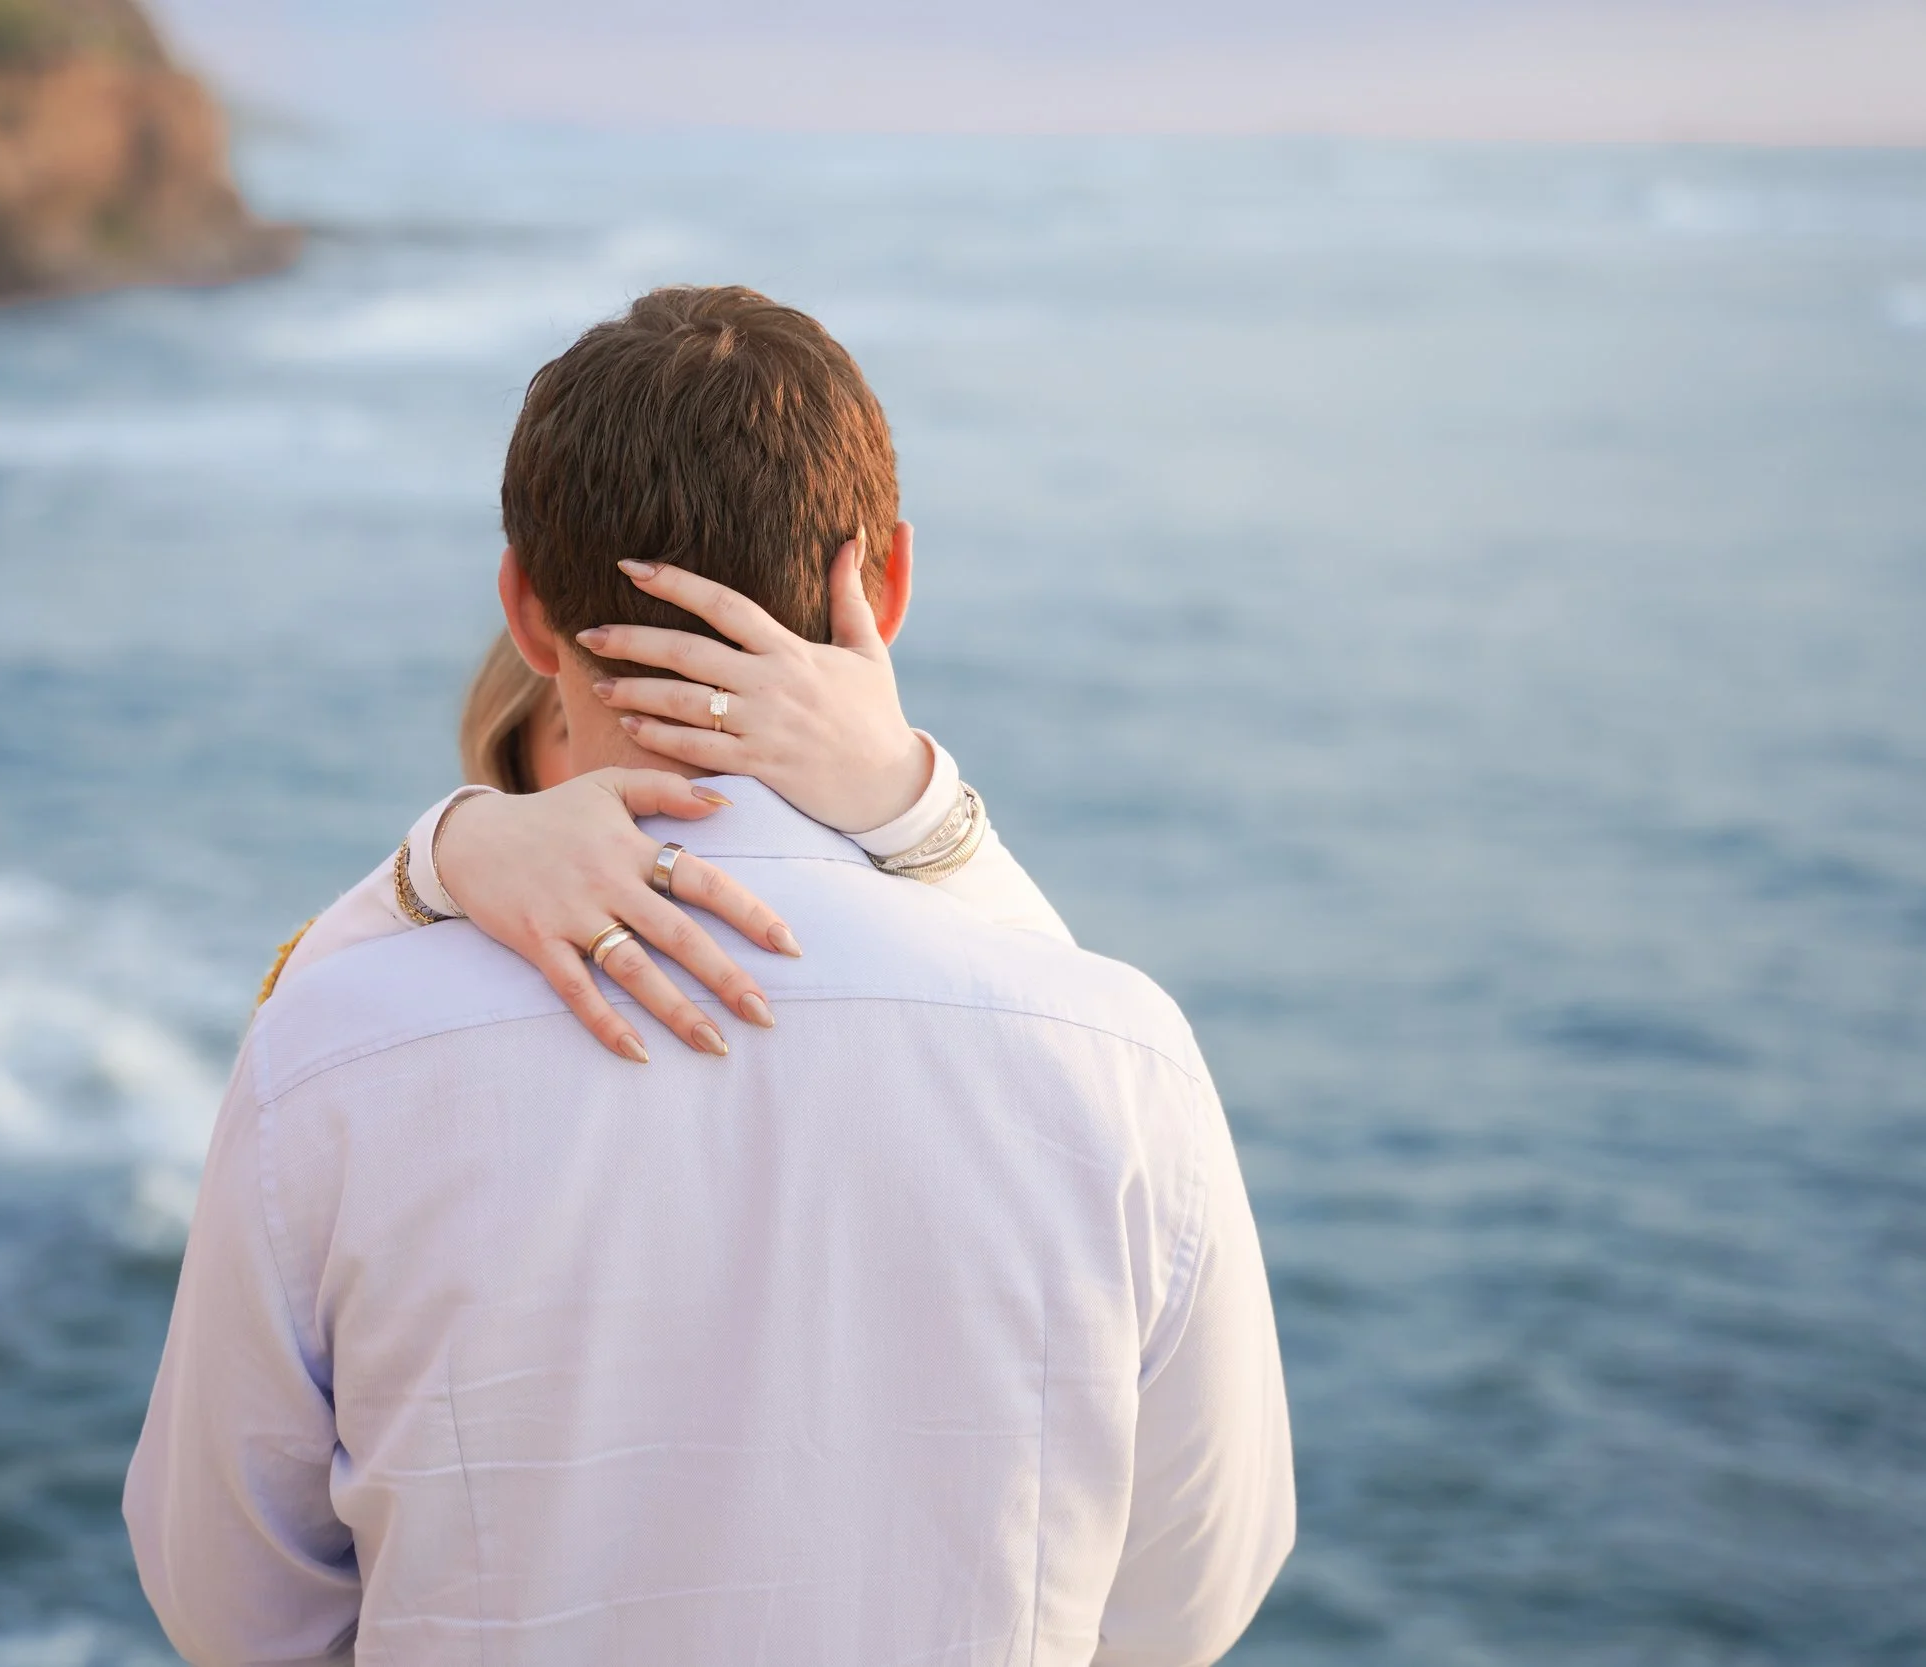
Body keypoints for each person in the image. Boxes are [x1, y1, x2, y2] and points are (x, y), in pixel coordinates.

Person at [127, 286, 1292, 1665]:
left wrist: (429, 865)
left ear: (524, 605)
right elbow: (1191, 1594)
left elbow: (228, 1600)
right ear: (892, 581)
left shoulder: (334, 1050)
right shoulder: (1122, 1055)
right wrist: (925, 814)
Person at [261, 563, 1075, 1059]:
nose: (689, 760)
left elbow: (1064, 1008)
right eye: (634, 718)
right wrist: (452, 848)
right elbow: (290, 1024)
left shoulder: (908, 943)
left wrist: (904, 793)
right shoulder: (420, 974)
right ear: (512, 756)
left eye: (750, 724)